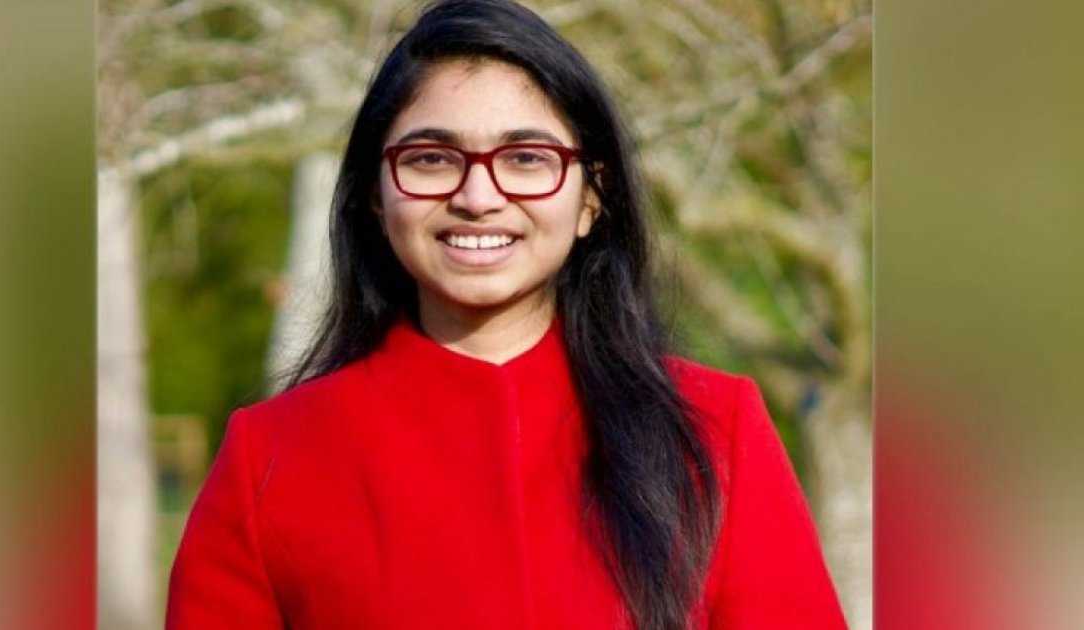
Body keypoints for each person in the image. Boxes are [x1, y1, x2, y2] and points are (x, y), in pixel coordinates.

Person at [165, 1, 846, 628]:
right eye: (431, 159)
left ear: (591, 197)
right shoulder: (272, 457)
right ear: (376, 194)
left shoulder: (714, 432)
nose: (478, 196)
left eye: (525, 158)